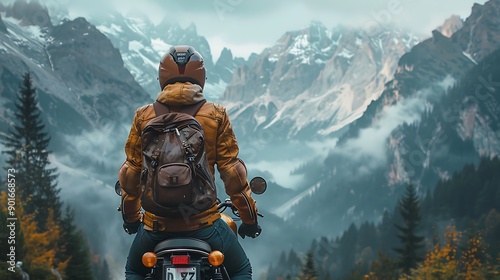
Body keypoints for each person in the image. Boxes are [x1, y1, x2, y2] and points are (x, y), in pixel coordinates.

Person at [118, 45, 261, 280]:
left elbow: (131, 175)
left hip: (156, 227)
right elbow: (233, 175)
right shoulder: (216, 115)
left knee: (133, 270)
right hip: (204, 224)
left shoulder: (143, 116)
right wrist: (249, 219)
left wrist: (131, 218)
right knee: (241, 270)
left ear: (162, 77)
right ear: (201, 77)